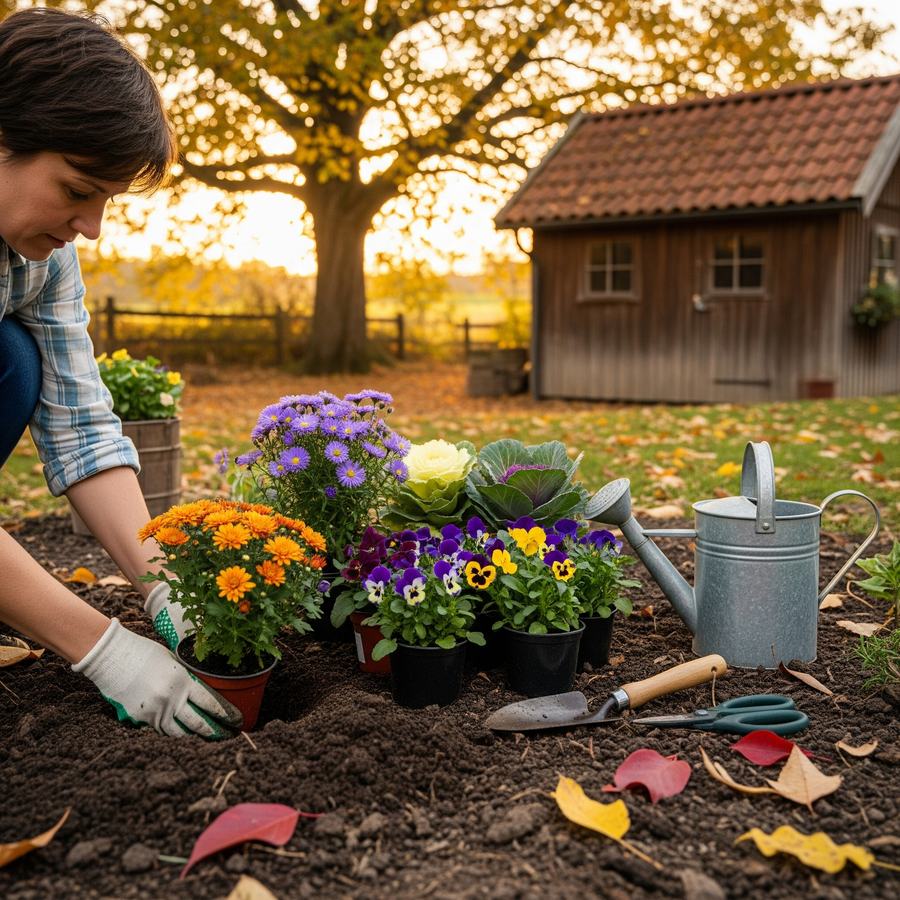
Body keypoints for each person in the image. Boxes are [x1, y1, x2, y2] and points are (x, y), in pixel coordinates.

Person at [0, 7, 239, 737]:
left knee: (15, 362)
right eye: (78, 191)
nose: (92, 227)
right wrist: (104, 649)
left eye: (105, 200)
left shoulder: (43, 260)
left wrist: (166, 586)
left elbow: (81, 430)